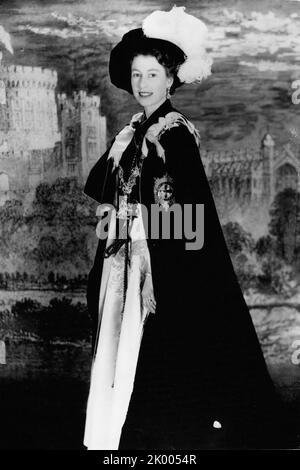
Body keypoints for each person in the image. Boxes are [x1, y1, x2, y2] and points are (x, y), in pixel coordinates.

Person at [83, 6, 296, 450]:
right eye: (136, 75)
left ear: (170, 80)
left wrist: (140, 222)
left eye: (153, 75)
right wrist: (120, 168)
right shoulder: (134, 132)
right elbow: (104, 189)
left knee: (164, 363)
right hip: (124, 260)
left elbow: (191, 213)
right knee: (124, 360)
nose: (142, 84)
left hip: (163, 265)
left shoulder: (174, 133)